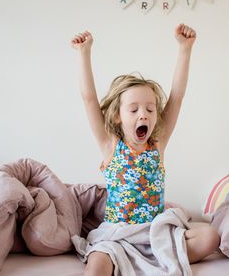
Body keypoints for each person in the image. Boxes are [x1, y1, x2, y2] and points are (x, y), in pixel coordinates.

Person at [71, 24, 220, 276]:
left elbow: (177, 97)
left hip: (154, 234)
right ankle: (131, 260)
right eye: (134, 109)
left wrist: (185, 49)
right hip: (117, 236)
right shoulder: (110, 146)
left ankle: (153, 258)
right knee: (97, 265)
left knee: (209, 237)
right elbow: (88, 99)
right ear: (118, 117)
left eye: (150, 109)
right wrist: (84, 53)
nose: (144, 114)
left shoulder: (157, 145)